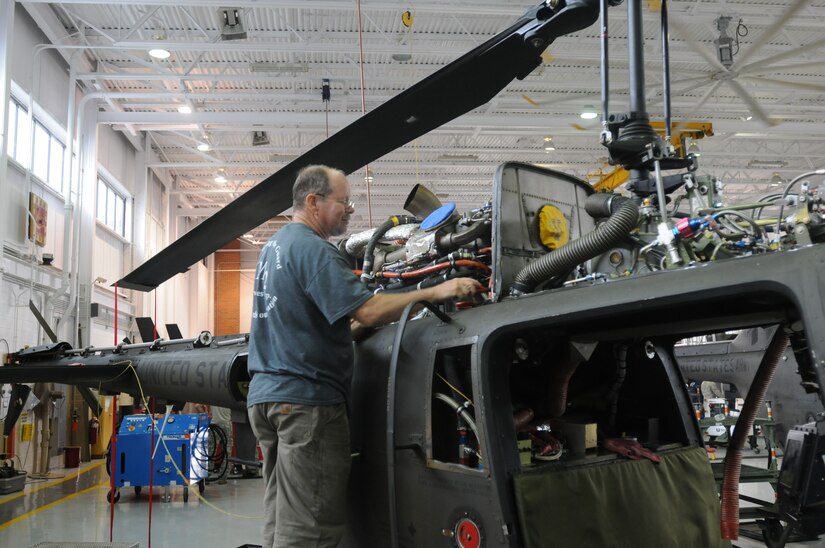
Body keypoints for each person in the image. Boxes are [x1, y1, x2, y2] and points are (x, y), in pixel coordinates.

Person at [246, 165, 483, 548]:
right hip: (307, 404)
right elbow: (368, 312)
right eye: (343, 202)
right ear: (313, 201)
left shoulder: (275, 248)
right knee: (311, 527)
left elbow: (326, 325)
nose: (350, 210)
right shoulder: (313, 249)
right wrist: (433, 292)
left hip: (268, 400)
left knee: (282, 518)